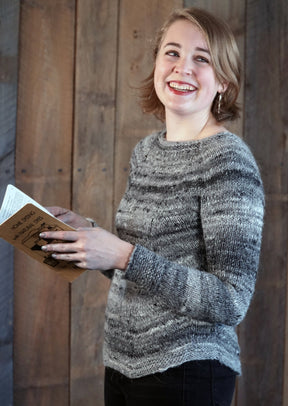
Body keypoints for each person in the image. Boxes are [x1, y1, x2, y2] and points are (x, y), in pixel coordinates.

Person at [40, 7, 264, 406]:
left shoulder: (228, 161)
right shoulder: (146, 151)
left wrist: (123, 255)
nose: (182, 68)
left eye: (202, 58)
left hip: (189, 372)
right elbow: (144, 266)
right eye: (172, 53)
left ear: (223, 83)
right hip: (124, 365)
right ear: (157, 63)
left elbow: (231, 301)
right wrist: (90, 239)